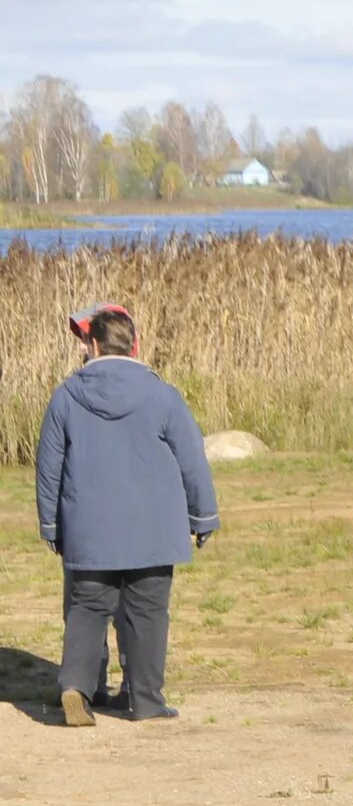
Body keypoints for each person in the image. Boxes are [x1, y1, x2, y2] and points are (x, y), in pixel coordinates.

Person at [32, 303, 219, 726]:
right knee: (148, 610)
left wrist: (50, 524)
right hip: (154, 528)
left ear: (93, 345)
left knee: (88, 605)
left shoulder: (66, 395)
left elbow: (49, 466)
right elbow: (192, 458)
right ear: (135, 345)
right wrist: (203, 515)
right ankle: (147, 700)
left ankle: (76, 687)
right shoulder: (162, 394)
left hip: (90, 527)